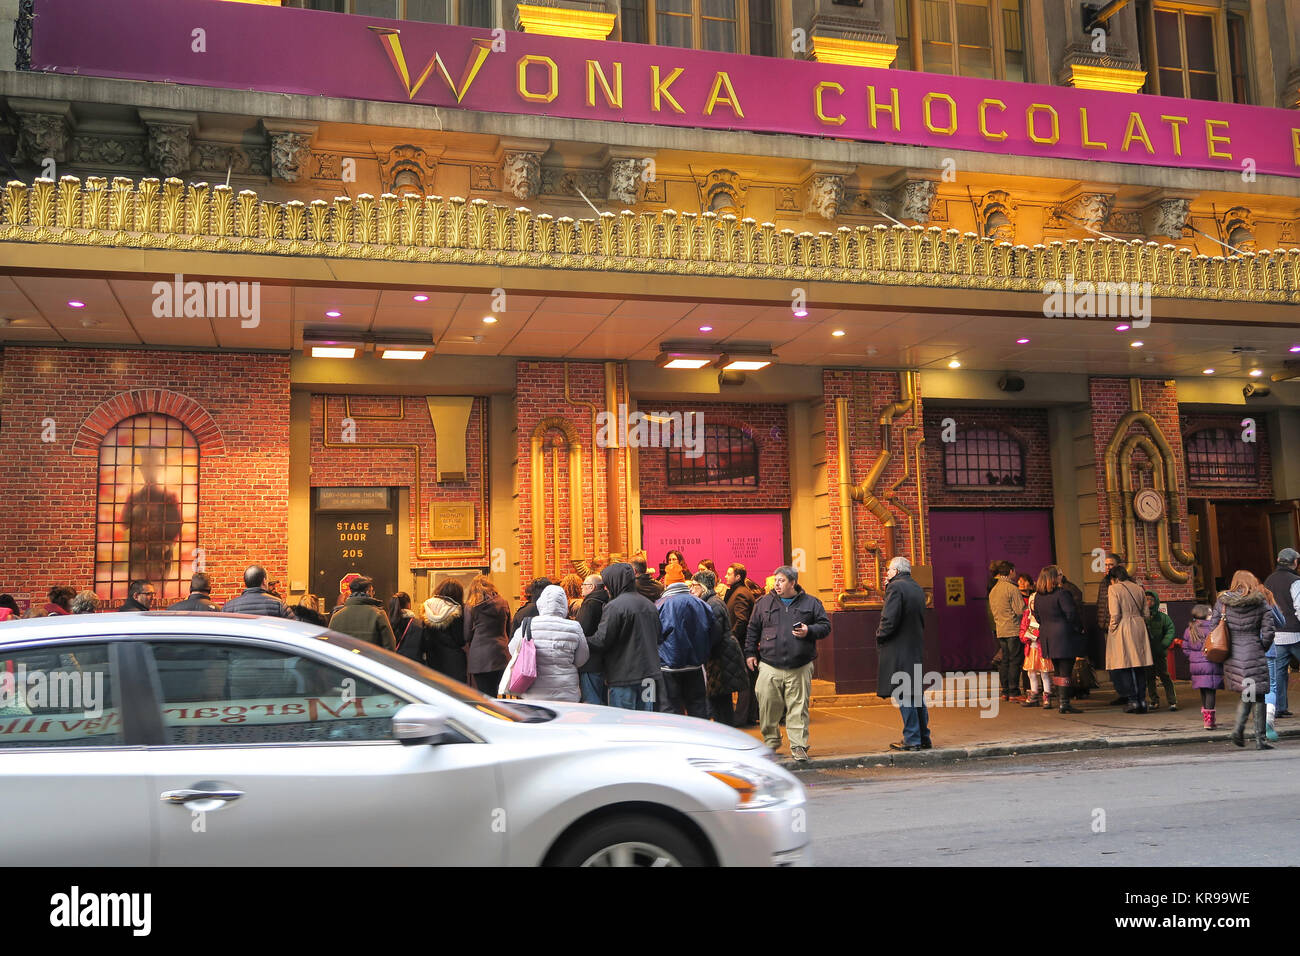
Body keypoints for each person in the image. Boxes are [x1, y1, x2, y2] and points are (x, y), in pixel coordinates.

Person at [744, 566, 830, 762]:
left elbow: (825, 626)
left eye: (781, 581)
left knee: (798, 708)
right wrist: (749, 653)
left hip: (800, 665)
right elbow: (752, 629)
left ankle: (799, 745)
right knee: (767, 706)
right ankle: (771, 741)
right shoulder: (763, 603)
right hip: (769, 664)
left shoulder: (812, 603)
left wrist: (809, 630)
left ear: (793, 583)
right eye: (776, 580)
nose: (777, 584)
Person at [1209, 570, 1279, 750]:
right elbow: (1269, 630)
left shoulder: (1223, 602)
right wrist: (1261, 645)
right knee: (1258, 695)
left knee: (1248, 693)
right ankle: (1258, 739)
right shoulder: (1260, 602)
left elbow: (1213, 626)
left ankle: (1240, 731)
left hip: (1233, 653)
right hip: (1254, 649)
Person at [589, 563, 663, 710]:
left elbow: (602, 640)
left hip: (624, 677)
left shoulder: (615, 606)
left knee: (624, 724)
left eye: (607, 583)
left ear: (615, 581)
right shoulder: (649, 605)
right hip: (649, 677)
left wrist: (580, 638)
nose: (605, 588)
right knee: (646, 721)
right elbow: (659, 637)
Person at [876, 556, 930, 750]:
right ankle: (924, 737)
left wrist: (880, 636)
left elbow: (889, 619)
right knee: (915, 694)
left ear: (896, 571)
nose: (886, 574)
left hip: (898, 648)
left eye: (889, 570)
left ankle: (912, 738)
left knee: (904, 693)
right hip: (914, 647)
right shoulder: (915, 587)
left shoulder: (895, 587)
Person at [506, 584, 589, 702]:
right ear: (564, 604)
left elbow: (512, 649)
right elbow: (582, 659)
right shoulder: (574, 627)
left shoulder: (528, 624)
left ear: (541, 603)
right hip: (566, 692)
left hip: (534, 692)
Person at [692, 570, 745, 724]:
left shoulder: (712, 604)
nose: (692, 589)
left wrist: (700, 650)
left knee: (720, 704)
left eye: (695, 585)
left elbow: (713, 635)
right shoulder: (710, 602)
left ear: (703, 587)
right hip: (720, 658)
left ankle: (727, 738)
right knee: (720, 702)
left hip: (721, 659)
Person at [656, 577, 713, 718]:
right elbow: (712, 632)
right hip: (695, 666)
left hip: (668, 666)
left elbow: (655, 634)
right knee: (698, 709)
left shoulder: (660, 604)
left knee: (672, 710)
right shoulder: (702, 604)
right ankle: (699, 738)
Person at [1034, 565, 1086, 715]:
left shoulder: (1038, 596)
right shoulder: (1062, 594)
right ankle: (1065, 703)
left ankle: (1062, 701)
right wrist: (1079, 628)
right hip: (1064, 635)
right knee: (1066, 670)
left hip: (1048, 635)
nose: (1061, 577)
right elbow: (1071, 613)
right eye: (1059, 575)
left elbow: (1037, 616)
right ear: (1053, 578)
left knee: (1057, 670)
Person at [1105, 565, 1153, 713]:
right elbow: (1146, 613)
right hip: (1139, 626)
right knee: (1139, 665)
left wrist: (1112, 628)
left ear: (1114, 578)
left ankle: (1133, 701)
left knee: (1124, 664)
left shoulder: (1114, 589)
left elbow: (1115, 613)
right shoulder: (1138, 588)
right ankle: (1142, 701)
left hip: (1123, 627)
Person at [400, 580, 467, 683]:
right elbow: (459, 639)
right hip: (454, 661)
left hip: (432, 658)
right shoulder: (456, 610)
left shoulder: (427, 607)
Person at [1263, 548, 1300, 725]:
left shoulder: (1268, 580)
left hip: (1276, 634)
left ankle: (1279, 707)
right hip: (1295, 632)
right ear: (1295, 563)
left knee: (1278, 673)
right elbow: (1299, 607)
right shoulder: (1296, 581)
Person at [463, 575, 512, 696]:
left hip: (480, 658)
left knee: (484, 694)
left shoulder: (471, 606)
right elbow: (509, 629)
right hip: (501, 654)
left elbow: (466, 635)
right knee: (498, 692)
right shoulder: (503, 603)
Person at [724, 562, 759, 728]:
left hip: (742, 644)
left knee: (744, 682)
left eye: (729, 573)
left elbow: (741, 620)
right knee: (748, 681)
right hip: (744, 643)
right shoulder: (739, 591)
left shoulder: (740, 594)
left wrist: (732, 637)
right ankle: (750, 715)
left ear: (738, 576)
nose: (726, 576)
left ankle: (741, 717)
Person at [1180, 604, 1223, 730]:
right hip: (1211, 663)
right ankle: (1210, 721)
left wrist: (1194, 657)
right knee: (1210, 691)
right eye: (1210, 614)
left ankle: (1206, 717)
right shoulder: (1212, 628)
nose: (1212, 616)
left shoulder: (1190, 629)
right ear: (1203, 615)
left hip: (1195, 665)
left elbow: (1185, 648)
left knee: (1203, 691)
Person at [988, 561, 1025, 702]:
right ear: (1011, 571)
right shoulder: (1011, 588)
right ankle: (1014, 692)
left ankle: (1005, 691)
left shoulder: (994, 589)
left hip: (1000, 629)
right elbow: (1019, 610)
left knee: (1004, 661)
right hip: (1013, 629)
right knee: (1015, 661)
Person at [328, 576, 397, 650]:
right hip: (370, 660)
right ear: (368, 592)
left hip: (344, 660)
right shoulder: (378, 614)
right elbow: (390, 646)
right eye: (372, 591)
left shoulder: (336, 616)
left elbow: (330, 645)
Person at [1018, 585, 1055, 708]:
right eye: (1032, 602)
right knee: (1031, 672)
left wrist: (1039, 634)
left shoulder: (1044, 616)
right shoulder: (1027, 615)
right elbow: (1022, 631)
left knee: (1044, 673)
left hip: (1042, 648)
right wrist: (1026, 637)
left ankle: (1047, 696)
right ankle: (1034, 694)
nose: (1033, 604)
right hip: (1031, 648)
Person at [1096, 553, 1126, 705]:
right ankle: (1120, 691)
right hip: (1107, 627)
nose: (1107, 568)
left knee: (1123, 662)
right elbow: (1101, 605)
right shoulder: (1104, 583)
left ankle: (1128, 692)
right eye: (1106, 565)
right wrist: (1102, 624)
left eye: (1110, 565)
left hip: (1120, 627)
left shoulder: (1123, 584)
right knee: (1112, 664)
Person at [575, 573, 609, 705]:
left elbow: (581, 630)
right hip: (604, 660)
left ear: (592, 587)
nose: (582, 587)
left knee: (592, 701)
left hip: (589, 660)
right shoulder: (607, 601)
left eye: (584, 584)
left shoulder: (589, 604)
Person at [1143, 590, 1178, 712]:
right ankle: (1154, 700)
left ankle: (1172, 701)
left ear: (1155, 601)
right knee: (1149, 677)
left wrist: (1164, 644)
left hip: (1159, 652)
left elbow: (1170, 630)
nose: (1148, 602)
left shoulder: (1162, 617)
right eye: (1146, 599)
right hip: (1146, 653)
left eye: (1151, 600)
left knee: (1165, 676)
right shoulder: (1142, 618)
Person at [222, 566, 295, 618]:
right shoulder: (279, 605)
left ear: (245, 582)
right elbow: (293, 628)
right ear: (264, 581)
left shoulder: (228, 607)